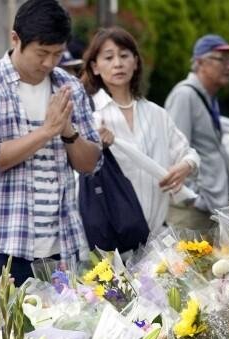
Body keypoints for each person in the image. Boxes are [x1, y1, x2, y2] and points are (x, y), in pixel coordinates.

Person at [0, 0, 102, 286]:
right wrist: (47, 130)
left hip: (62, 245)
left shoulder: (68, 87)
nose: (49, 63)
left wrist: (68, 131)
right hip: (2, 247)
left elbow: (90, 164)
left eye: (57, 54)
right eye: (42, 53)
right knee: (4, 331)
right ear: (15, 39)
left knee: (67, 330)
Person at [82, 27, 200, 235]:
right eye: (108, 57)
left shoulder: (156, 114)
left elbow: (189, 153)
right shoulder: (90, 114)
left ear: (136, 62)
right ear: (95, 67)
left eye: (124, 55)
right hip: (110, 241)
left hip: (155, 238)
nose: (117, 63)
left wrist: (186, 166)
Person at [164, 34, 229, 230]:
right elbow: (174, 152)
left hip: (209, 207)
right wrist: (194, 198)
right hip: (192, 210)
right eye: (222, 59)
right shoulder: (185, 95)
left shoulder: (208, 97)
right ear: (200, 62)